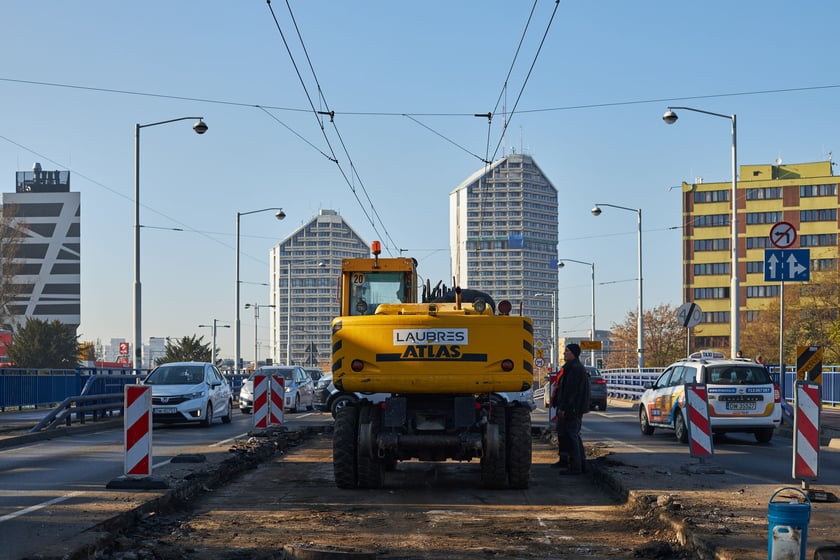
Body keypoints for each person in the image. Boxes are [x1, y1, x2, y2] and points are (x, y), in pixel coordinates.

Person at [551, 343, 590, 474]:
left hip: (572, 408)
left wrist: (564, 407)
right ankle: (571, 462)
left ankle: (576, 466)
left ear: (573, 353)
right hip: (570, 407)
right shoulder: (570, 367)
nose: (564, 353)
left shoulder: (575, 369)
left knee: (572, 434)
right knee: (565, 433)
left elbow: (570, 391)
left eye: (567, 351)